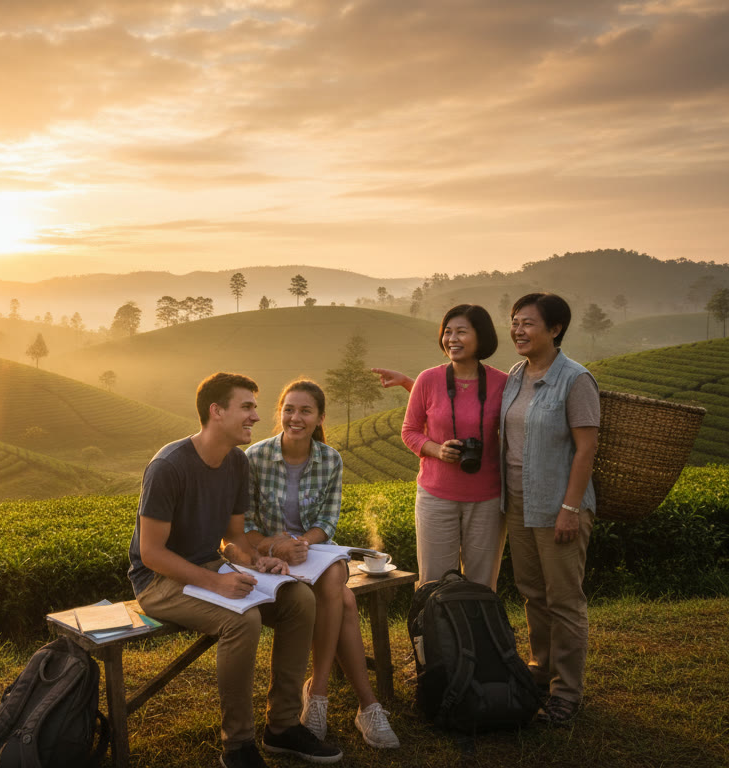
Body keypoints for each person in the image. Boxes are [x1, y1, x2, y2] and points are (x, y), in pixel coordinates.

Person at [128, 372, 340, 768]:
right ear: (216, 411)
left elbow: (233, 539)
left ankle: (281, 726)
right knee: (243, 622)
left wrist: (259, 562)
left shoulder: (236, 464)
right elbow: (152, 553)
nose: (256, 417)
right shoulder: (168, 467)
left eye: (254, 408)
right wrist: (216, 582)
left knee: (299, 598)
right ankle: (238, 745)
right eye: (247, 407)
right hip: (159, 581)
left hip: (209, 567)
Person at [244, 379, 399, 749]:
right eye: (289, 409)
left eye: (305, 411)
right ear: (280, 412)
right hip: (267, 558)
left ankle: (319, 694)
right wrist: (278, 546)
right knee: (344, 601)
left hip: (313, 553)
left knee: (332, 575)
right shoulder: (255, 457)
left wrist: (301, 543)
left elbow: (327, 523)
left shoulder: (330, 459)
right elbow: (247, 525)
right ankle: (362, 704)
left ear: (319, 418)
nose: (295, 418)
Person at [499, 292, 600, 728]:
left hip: (559, 503)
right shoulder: (516, 374)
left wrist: (570, 508)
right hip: (517, 501)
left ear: (555, 329)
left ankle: (567, 693)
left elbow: (586, 448)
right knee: (532, 592)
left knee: (564, 600)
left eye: (528, 323)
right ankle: (541, 670)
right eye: (515, 322)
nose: (518, 330)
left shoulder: (576, 380)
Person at [373, 304, 508, 591]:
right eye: (447, 332)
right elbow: (409, 431)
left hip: (487, 499)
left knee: (483, 583)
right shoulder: (429, 379)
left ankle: (478, 636)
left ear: (481, 337)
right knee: (434, 582)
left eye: (461, 332)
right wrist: (437, 450)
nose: (452, 339)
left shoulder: (502, 383)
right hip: (436, 497)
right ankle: (434, 636)